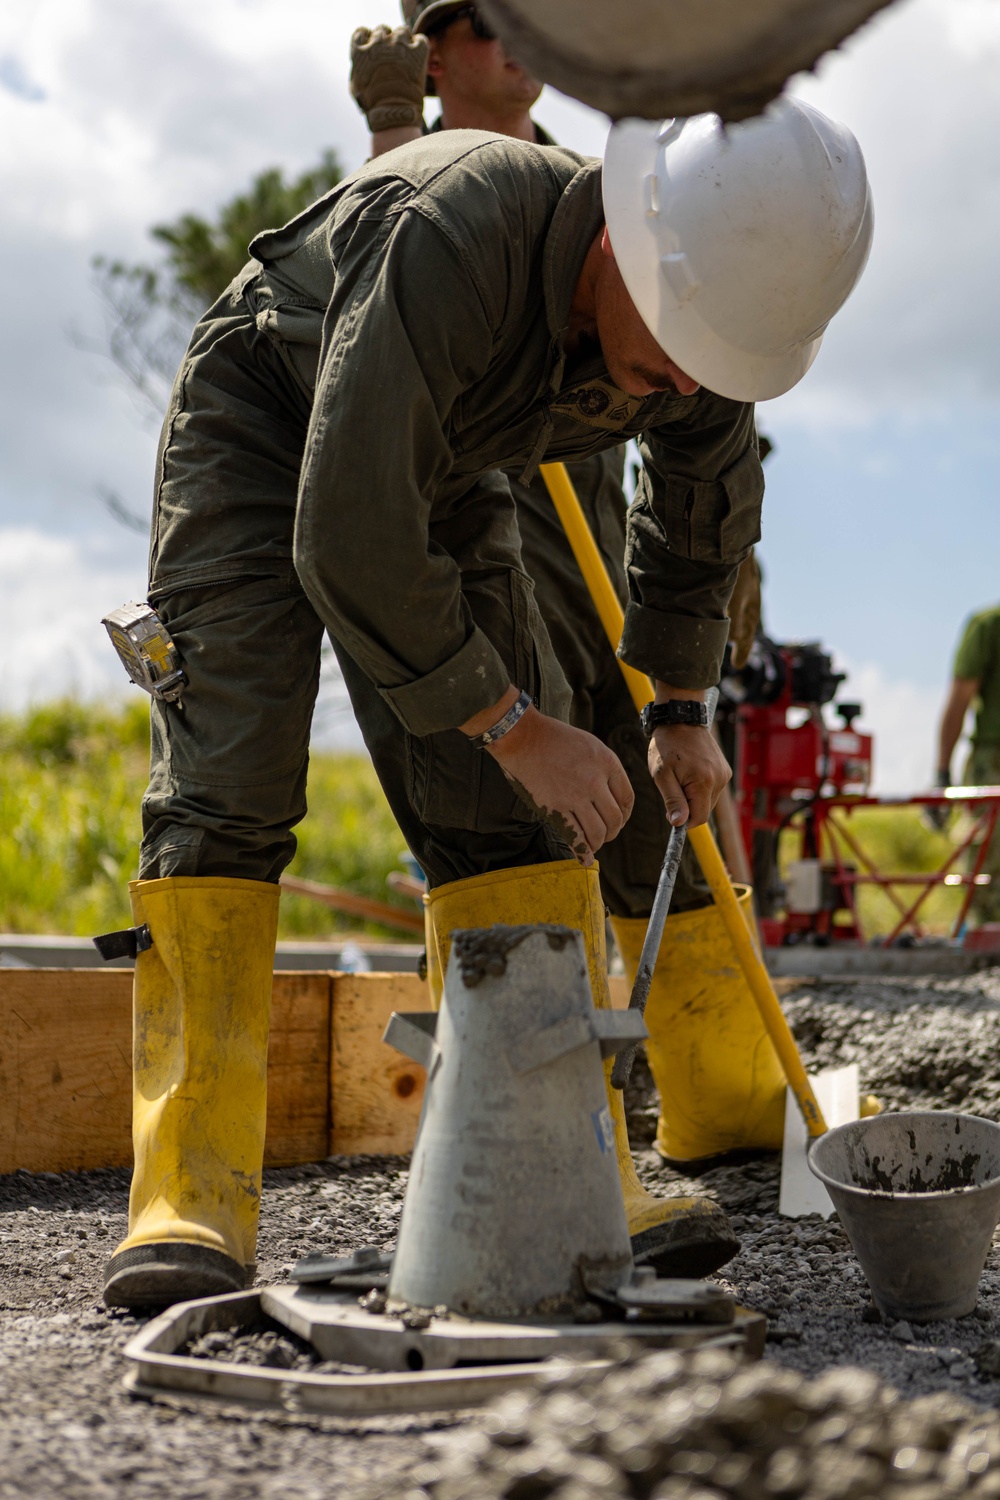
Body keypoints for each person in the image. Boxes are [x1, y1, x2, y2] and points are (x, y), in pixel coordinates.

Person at [99, 98, 873, 1310]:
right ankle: (186, 1190)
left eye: (707, 363)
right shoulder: (454, 226)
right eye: (673, 343)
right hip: (263, 421)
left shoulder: (712, 311)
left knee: (507, 819)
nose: (679, 379)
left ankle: (566, 1167)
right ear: (623, 238)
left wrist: (679, 709)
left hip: (451, 457)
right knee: (229, 783)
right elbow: (351, 530)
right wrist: (513, 721)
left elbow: (700, 510)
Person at [349, 1, 780, 1177]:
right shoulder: (442, 187)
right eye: (485, 28)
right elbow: (389, 335)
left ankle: (713, 1086)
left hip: (594, 509)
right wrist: (393, 128)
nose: (518, 42)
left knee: (662, 760)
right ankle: (556, 1111)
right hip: (498, 512)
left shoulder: (600, 182)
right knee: (535, 783)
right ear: (434, 56)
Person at [935, 605, 1000, 923]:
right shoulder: (989, 626)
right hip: (994, 765)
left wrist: (942, 772)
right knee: (988, 869)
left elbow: (960, 699)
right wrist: (942, 773)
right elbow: (960, 699)